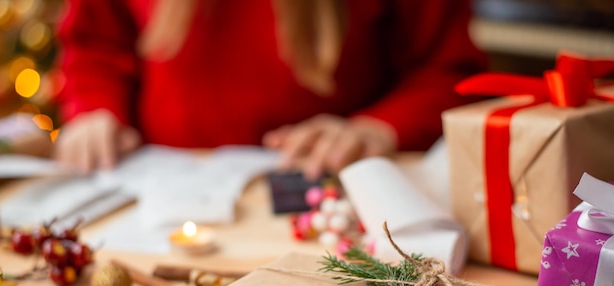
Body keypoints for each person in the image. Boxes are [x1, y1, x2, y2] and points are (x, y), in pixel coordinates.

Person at [53, 0, 486, 180]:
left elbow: (450, 72)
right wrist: (96, 108)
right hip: (158, 194)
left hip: (328, 188)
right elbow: (95, 44)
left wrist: (379, 128)